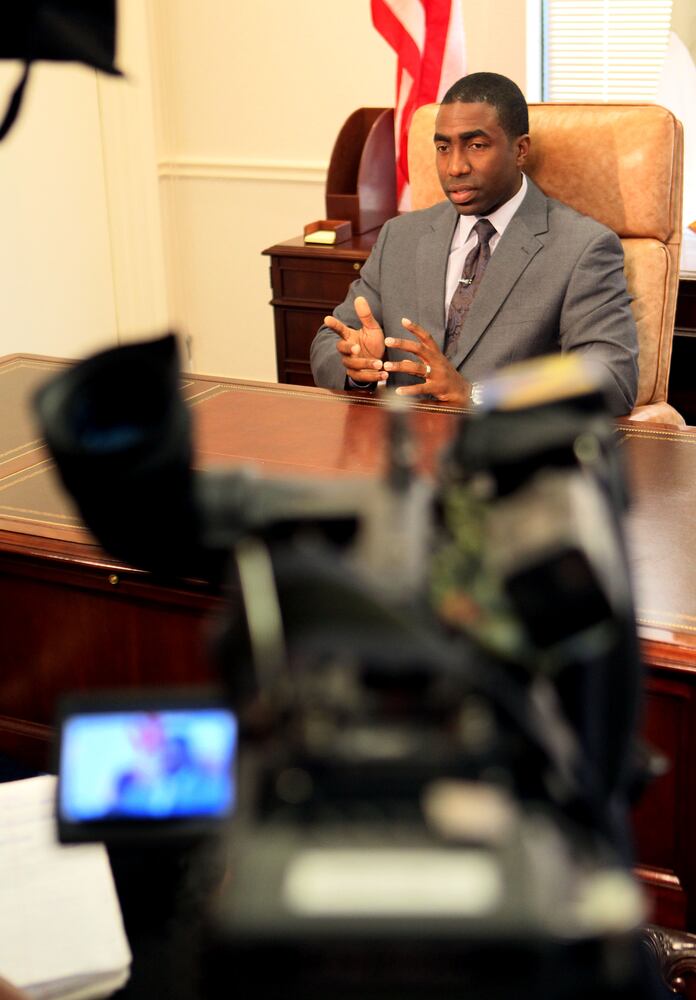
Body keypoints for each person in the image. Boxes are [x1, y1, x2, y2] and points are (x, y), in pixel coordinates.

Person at [310, 72, 638, 416]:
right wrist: (357, 366)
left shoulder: (582, 248)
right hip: (401, 443)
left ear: (520, 150)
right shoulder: (400, 237)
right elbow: (329, 342)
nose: (455, 167)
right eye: (443, 148)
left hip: (505, 445)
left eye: (476, 145)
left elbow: (610, 377)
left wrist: (478, 394)